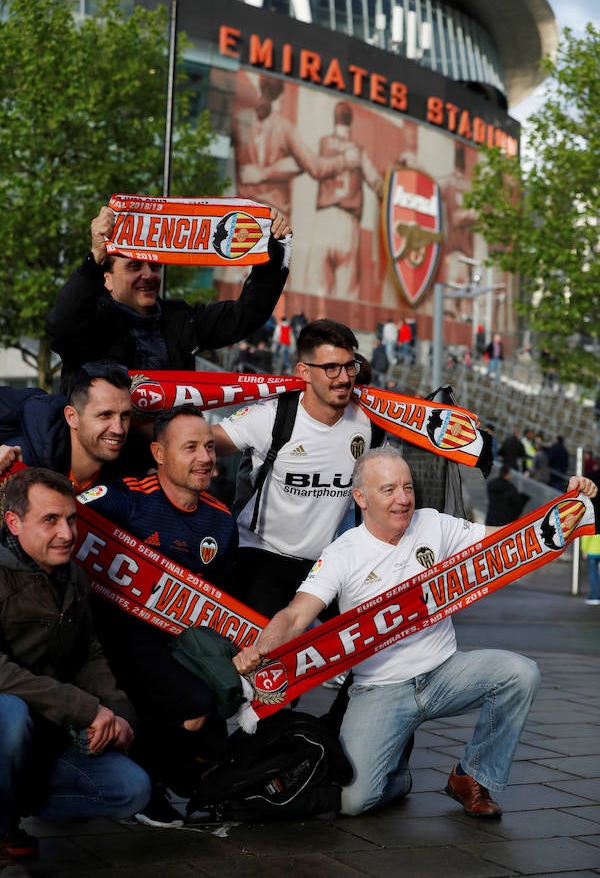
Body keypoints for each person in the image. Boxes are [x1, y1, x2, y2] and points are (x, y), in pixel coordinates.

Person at [233, 448, 598, 818]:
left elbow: (510, 540)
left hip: (444, 673)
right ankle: (399, 776)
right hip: (380, 689)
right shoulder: (342, 553)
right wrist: (259, 649)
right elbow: (296, 616)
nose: (403, 499)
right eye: (389, 490)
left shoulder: (433, 524)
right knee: (353, 802)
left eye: (407, 487)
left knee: (521, 674)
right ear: (361, 498)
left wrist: (568, 507)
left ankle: (471, 776)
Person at [79, 405, 238, 828]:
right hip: (118, 635)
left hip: (183, 640)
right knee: (193, 706)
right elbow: (61, 515)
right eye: (190, 447)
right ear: (159, 453)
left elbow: (222, 598)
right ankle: (151, 787)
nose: (205, 457)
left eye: (208, 446)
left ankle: (177, 774)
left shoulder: (221, 521)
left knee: (220, 719)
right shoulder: (126, 498)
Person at [0, 468, 150, 868]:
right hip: (10, 724)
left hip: (45, 736)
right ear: (14, 523)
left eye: (70, 518)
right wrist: (85, 709)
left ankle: (6, 810)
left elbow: (88, 654)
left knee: (133, 789)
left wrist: (117, 715)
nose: (67, 533)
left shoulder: (73, 576)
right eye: (50, 520)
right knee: (9, 713)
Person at [213, 319, 376, 618]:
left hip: (325, 563)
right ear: (304, 372)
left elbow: (424, 431)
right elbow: (203, 443)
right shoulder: (272, 416)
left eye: (349, 366)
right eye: (331, 368)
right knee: (264, 651)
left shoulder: (369, 424)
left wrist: (464, 434)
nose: (343, 378)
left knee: (350, 652)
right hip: (262, 555)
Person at [46, 205, 292, 393]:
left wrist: (271, 247)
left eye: (155, 266)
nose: (148, 275)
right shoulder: (90, 324)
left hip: (168, 454)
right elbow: (60, 329)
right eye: (134, 266)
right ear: (106, 278)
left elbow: (246, 315)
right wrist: (95, 258)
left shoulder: (182, 318)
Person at [233, 74, 356, 220]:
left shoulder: (241, 120)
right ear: (281, 97)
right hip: (274, 216)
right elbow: (316, 168)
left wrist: (266, 171)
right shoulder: (284, 128)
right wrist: (344, 160)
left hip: (242, 213)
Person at [0, 362, 136, 492]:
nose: (118, 429)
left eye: (125, 415)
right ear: (72, 417)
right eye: (105, 415)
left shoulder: (132, 469)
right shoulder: (19, 462)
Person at [303, 100, 383, 298]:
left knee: (317, 290)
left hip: (324, 219)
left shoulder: (323, 142)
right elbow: (377, 183)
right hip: (348, 225)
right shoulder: (359, 150)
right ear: (351, 122)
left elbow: (313, 166)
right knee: (346, 295)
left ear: (334, 119)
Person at [580, 533, 600, 605]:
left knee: (593, 575)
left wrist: (584, 550)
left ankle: (595, 597)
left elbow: (586, 537)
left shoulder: (591, 523)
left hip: (592, 552)